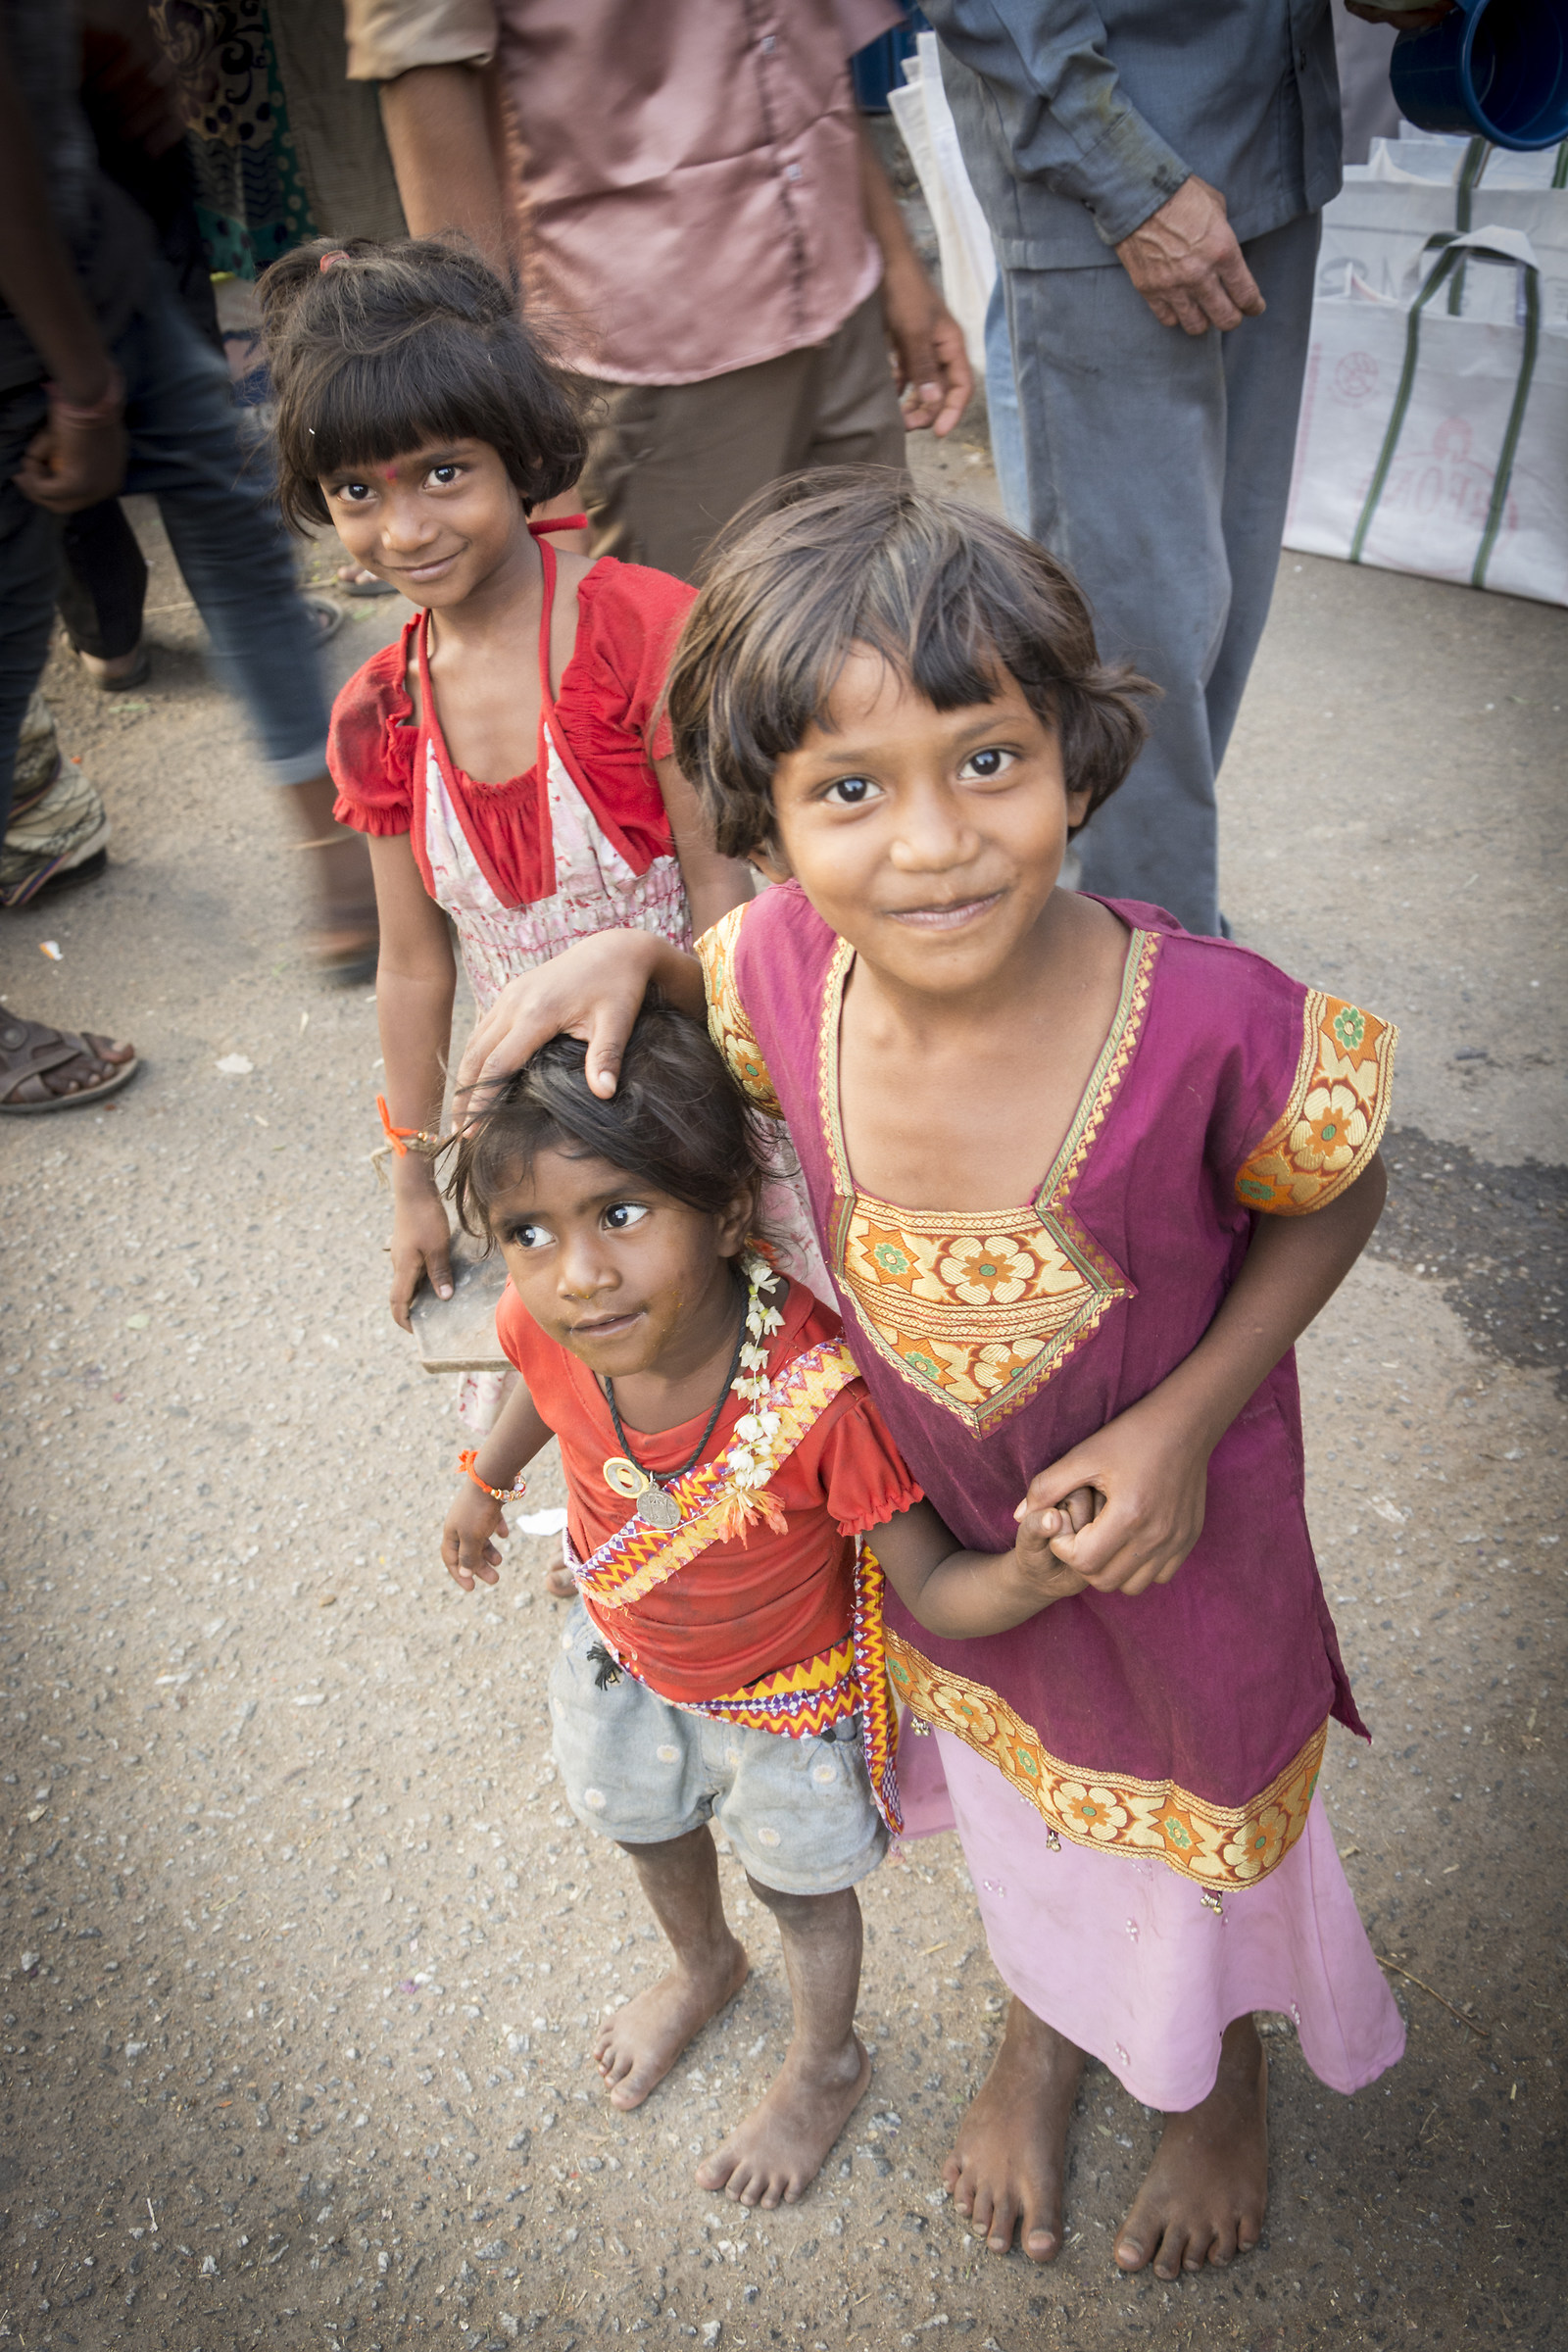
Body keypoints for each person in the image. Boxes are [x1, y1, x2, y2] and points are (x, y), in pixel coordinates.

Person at [452, 474, 1406, 2278]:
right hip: (954, 1553)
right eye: (849, 793)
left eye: (989, 759)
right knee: (1024, 1811)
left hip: (1180, 1544)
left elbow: (1341, 1185)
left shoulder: (1210, 1020)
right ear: (770, 822)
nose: (936, 842)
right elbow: (702, 956)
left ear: (1073, 750)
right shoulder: (770, 980)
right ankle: (1040, 2030)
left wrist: (1184, 1417)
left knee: (1207, 1809)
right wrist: (635, 942)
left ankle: (1216, 2088)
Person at [438, 999, 1094, 2205]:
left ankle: (824, 2060)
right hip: (622, 1654)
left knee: (803, 1889)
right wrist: (486, 1482)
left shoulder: (812, 1397)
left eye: (622, 1215)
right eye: (529, 1231)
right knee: (646, 1826)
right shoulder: (551, 1318)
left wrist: (1033, 1574)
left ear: (730, 1212)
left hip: (780, 1709)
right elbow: (533, 1376)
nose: (579, 1274)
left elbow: (937, 1584)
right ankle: (702, 1965)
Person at [265, 235, 812, 1427]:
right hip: (530, 1131)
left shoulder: (639, 632)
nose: (403, 528)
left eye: (440, 474)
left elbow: (725, 897)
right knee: (598, 1381)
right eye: (358, 492)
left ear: (519, 457)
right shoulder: (379, 715)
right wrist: (413, 1177)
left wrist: (734, 1117)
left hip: (706, 1070)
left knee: (769, 1376)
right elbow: (416, 967)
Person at [910, 0, 1422, 936]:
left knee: (1214, 610)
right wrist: (1132, 184)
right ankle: (1154, 967)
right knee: (1132, 628)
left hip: (1268, 141)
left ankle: (1113, 923)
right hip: (1116, 181)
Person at [0, 0, 376, 1036]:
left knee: (236, 526)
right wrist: (82, 390)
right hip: (33, 320)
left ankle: (335, 852)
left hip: (94, 266)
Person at [340, 0, 973, 583]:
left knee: (879, 628)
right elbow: (422, 64)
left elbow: (804, 48)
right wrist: (509, 419)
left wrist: (897, 264)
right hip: (644, 345)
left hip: (840, 282)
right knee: (691, 671)